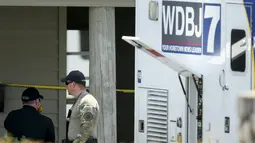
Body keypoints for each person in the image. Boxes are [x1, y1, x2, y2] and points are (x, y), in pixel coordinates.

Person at [61, 70, 99, 143]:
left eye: (66, 83)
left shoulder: (87, 101)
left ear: (73, 84)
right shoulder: (80, 100)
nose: (66, 86)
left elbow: (87, 128)